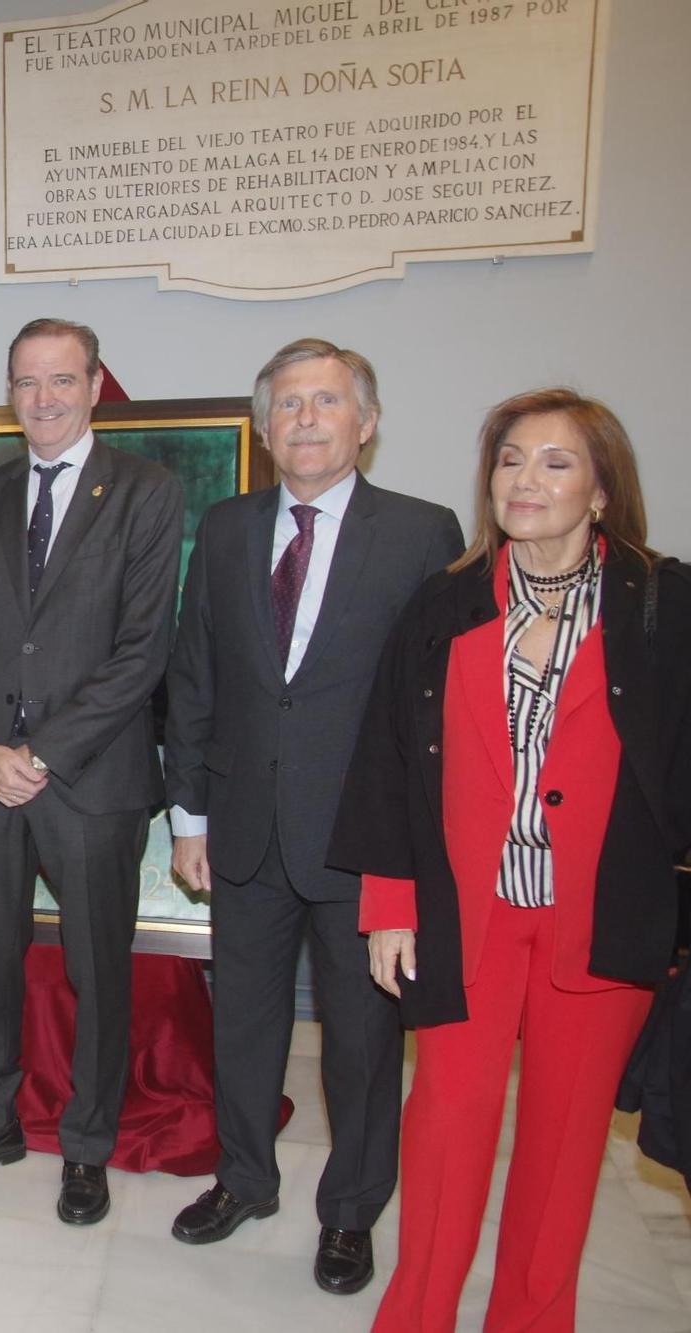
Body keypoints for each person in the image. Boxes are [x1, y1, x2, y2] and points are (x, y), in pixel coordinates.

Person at [331, 389, 690, 1332]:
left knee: (565, 1155)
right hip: (464, 922)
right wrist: (389, 902)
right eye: (510, 460)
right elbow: (388, 759)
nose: (525, 480)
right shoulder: (444, 602)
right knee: (445, 1133)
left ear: (603, 490)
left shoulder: (664, 606)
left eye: (556, 462)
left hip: (602, 924)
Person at [162, 339, 464, 1294]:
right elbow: (196, 671)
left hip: (362, 837)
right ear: (262, 427)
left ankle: (351, 1209)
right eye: (287, 403)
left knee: (365, 1043)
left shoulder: (422, 532)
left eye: (326, 401)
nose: (305, 419)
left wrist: (417, 849)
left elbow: (435, 706)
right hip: (245, 827)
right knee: (242, 1024)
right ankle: (245, 1177)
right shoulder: (225, 526)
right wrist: (189, 818)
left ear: (365, 423)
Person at [0, 318, 184, 1225]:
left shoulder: (147, 492)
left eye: (62, 380)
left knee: (95, 971)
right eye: (27, 382)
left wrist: (42, 751)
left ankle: (87, 1146)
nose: (44, 398)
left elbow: (141, 652)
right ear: (10, 391)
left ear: (94, 383)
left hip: (89, 779)